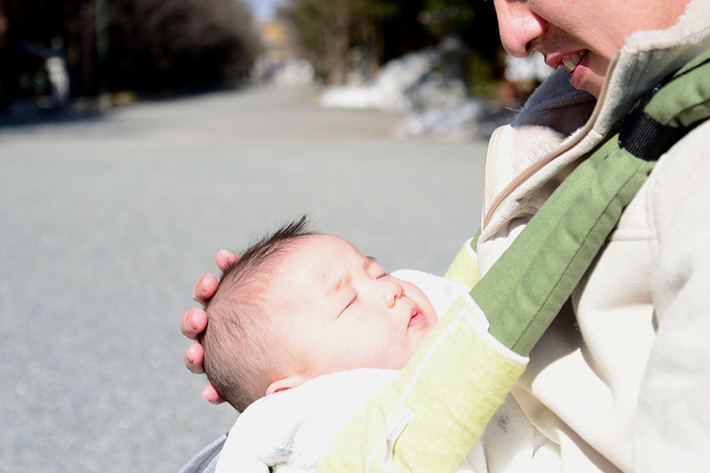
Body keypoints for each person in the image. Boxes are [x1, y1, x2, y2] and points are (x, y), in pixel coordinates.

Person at [182, 0, 710, 471]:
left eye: (377, 271)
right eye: (346, 302)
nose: (513, 34)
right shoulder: (603, 110)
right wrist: (256, 350)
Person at [196, 217, 558, 473]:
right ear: (297, 394)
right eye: (348, 302)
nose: (390, 289)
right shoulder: (333, 429)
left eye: (377, 272)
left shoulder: (438, 325)